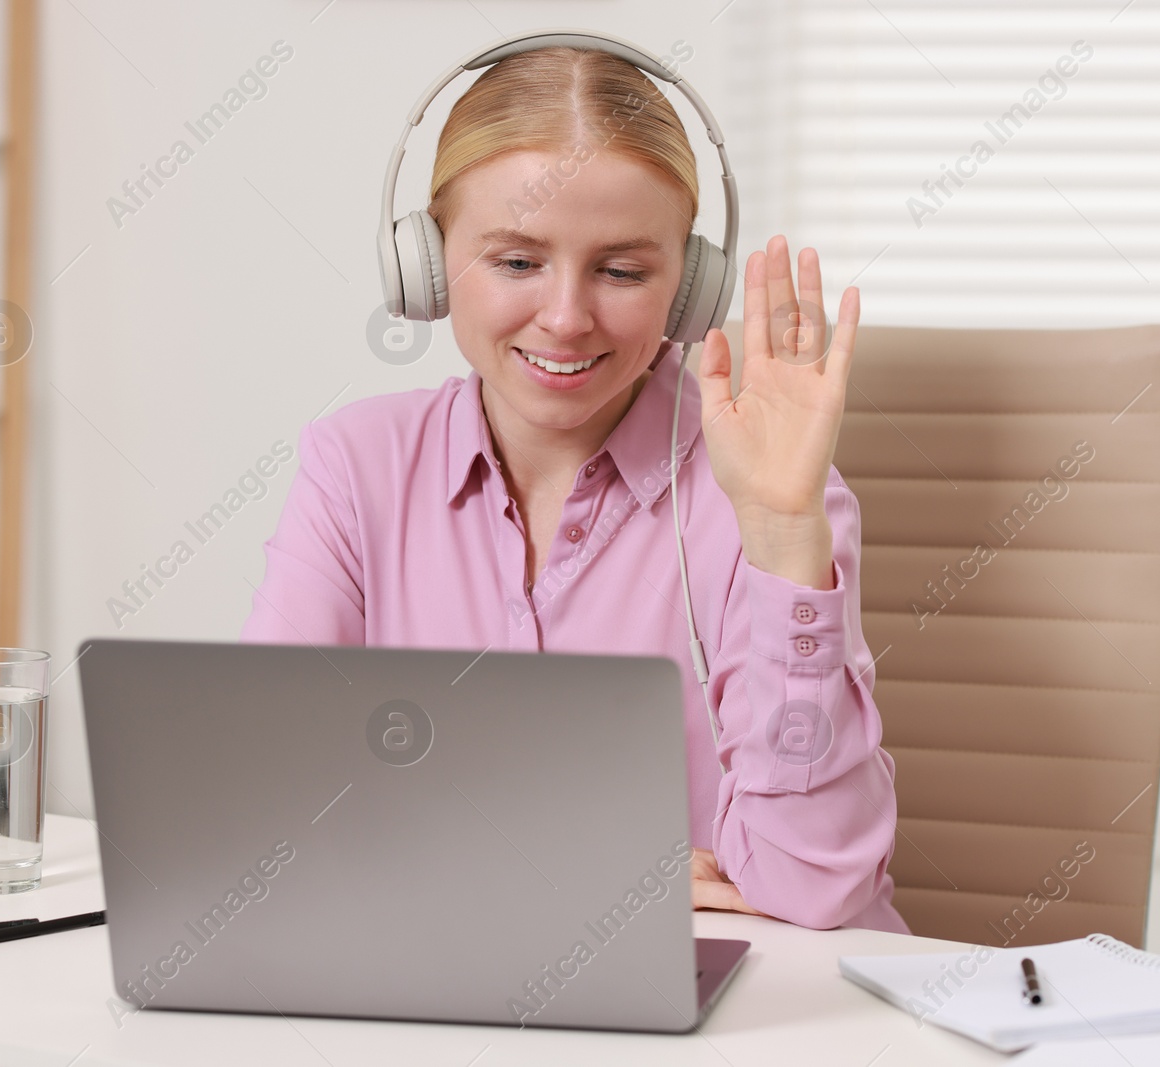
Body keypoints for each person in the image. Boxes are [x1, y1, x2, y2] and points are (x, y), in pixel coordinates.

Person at [241, 44, 908, 933]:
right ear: (429, 267)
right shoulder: (355, 467)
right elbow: (269, 823)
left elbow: (813, 886)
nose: (565, 316)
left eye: (622, 271)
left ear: (689, 291)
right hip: (457, 981)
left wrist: (783, 534)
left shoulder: (768, 495)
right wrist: (600, 876)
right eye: (516, 262)